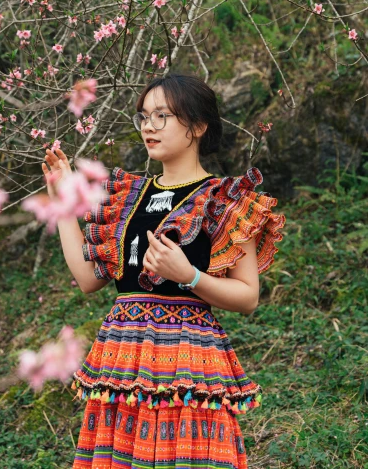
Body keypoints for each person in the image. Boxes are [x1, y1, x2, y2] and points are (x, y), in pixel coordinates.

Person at [42, 73, 286, 469]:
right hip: (122, 360)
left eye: (163, 116)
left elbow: (248, 297)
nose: (149, 127)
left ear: (198, 126)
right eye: (143, 117)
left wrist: (188, 275)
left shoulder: (225, 201)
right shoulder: (127, 198)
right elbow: (89, 280)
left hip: (188, 365)